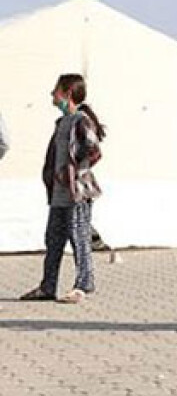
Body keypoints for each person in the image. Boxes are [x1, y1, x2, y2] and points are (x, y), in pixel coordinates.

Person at [20, 74, 106, 304]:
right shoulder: (61, 123)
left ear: (67, 93)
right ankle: (48, 286)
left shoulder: (80, 120)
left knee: (79, 237)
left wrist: (75, 170)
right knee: (53, 239)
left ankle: (83, 285)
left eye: (55, 90)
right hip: (59, 194)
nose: (52, 95)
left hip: (76, 193)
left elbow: (94, 150)